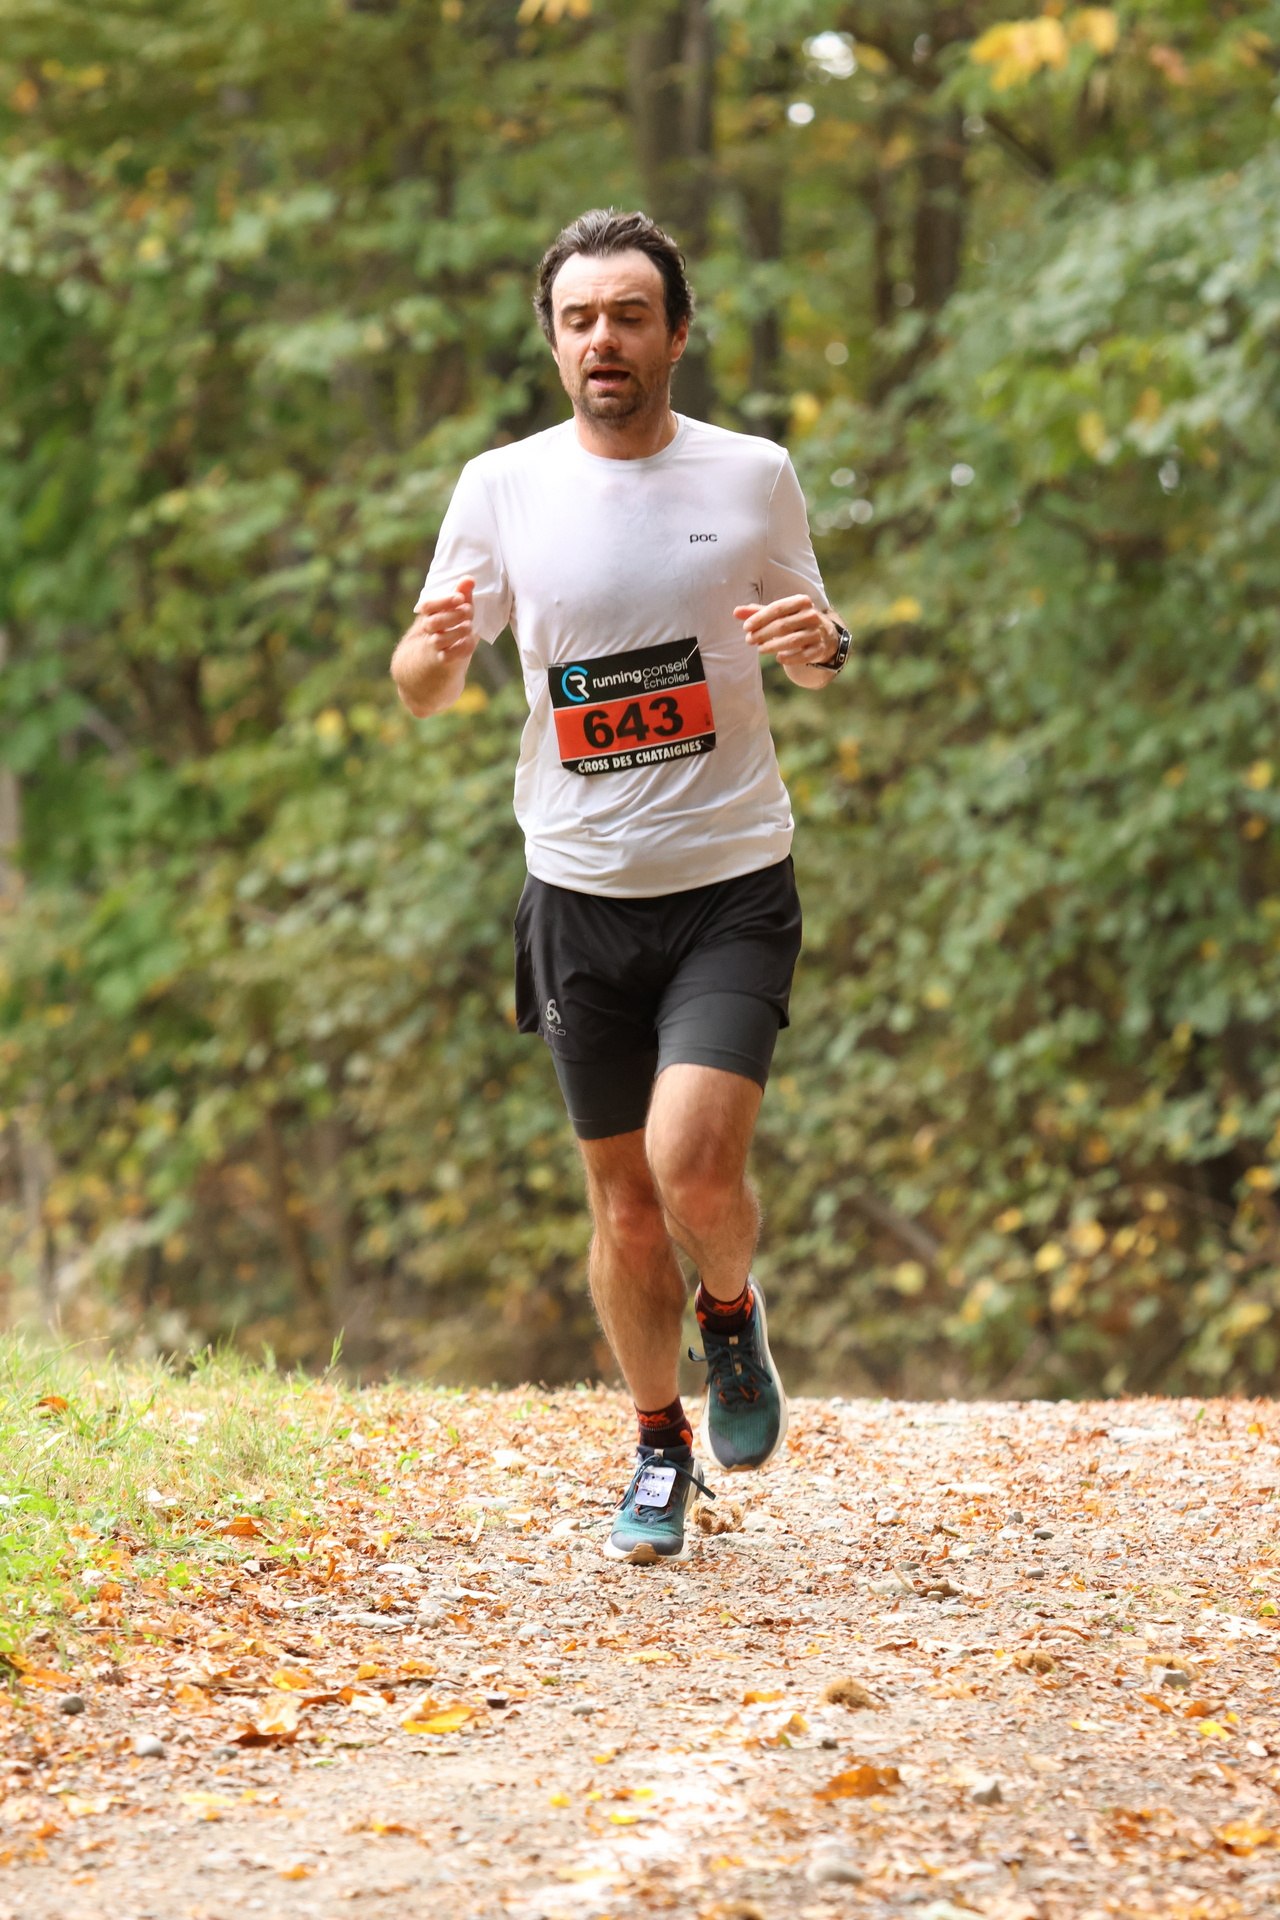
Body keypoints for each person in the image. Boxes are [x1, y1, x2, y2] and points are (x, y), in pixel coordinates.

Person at [391, 209, 851, 1564]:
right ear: (553, 342)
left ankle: (732, 1314)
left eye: (629, 315)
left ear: (675, 333)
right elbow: (420, 688)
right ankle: (660, 1445)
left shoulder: (753, 475)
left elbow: (817, 645)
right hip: (578, 895)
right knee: (625, 1208)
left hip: (730, 880)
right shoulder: (501, 488)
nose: (604, 339)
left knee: (692, 1162)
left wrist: (823, 641)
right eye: (579, 318)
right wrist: (434, 652)